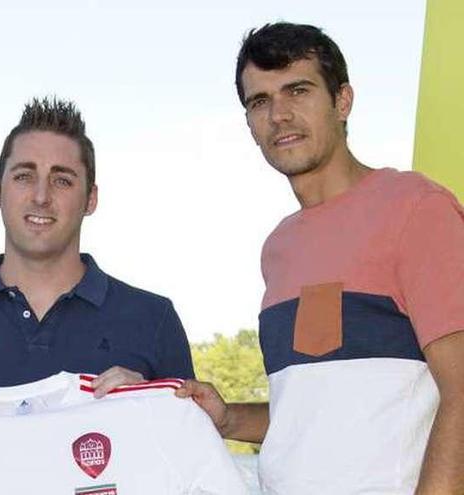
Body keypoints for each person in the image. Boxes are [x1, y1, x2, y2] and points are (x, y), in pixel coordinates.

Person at [176, 22, 464, 494]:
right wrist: (229, 418)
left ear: (342, 101)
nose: (279, 115)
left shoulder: (415, 207)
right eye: (260, 101)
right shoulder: (279, 247)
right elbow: (313, 418)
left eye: (298, 90)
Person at [0, 97, 194, 407]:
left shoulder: (154, 321)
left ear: (91, 199)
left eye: (62, 180)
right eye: (24, 176)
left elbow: (186, 450)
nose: (41, 196)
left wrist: (157, 410)